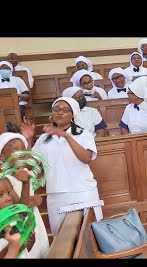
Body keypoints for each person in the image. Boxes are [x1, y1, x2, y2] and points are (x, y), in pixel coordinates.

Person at [21, 97, 102, 237]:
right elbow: (30, 162)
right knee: (62, 239)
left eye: (65, 110)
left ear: (73, 115)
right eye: (56, 109)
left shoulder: (84, 134)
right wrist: (28, 139)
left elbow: (86, 158)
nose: (59, 112)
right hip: (56, 194)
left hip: (83, 191)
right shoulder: (44, 138)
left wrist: (66, 136)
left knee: (90, 236)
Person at [0, 133, 50, 258]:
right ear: (2, 155)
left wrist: (28, 138)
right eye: (15, 150)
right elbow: (22, 208)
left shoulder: (26, 172)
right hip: (17, 226)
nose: (21, 154)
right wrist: (26, 185)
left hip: (34, 220)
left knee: (41, 249)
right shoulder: (4, 180)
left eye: (23, 150)